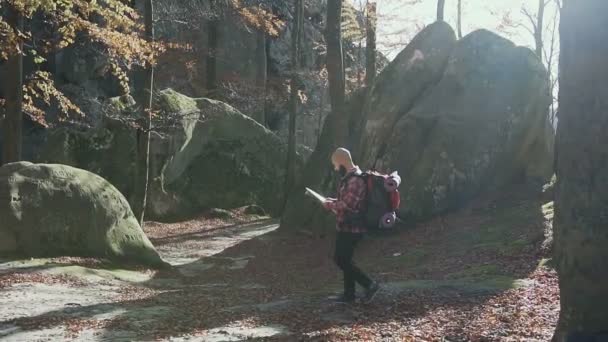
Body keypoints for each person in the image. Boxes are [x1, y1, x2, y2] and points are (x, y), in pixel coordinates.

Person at [323, 147, 380, 303]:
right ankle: (349, 295)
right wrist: (333, 201)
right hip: (347, 226)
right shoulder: (350, 178)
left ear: (342, 161)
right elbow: (346, 201)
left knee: (340, 259)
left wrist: (330, 206)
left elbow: (348, 205)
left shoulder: (355, 180)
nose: (335, 168)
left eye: (336, 165)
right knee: (346, 259)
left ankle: (370, 284)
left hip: (352, 228)